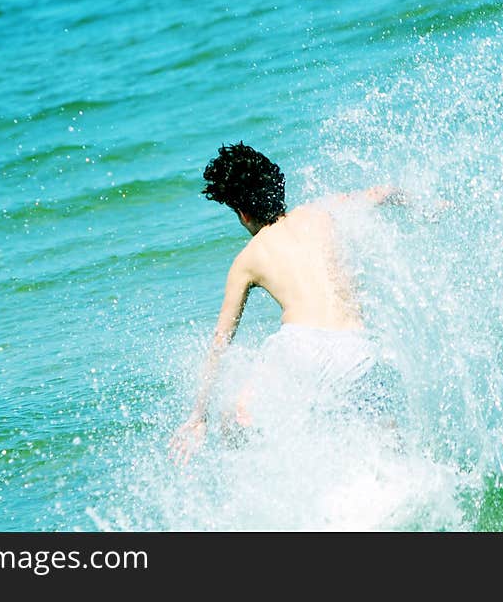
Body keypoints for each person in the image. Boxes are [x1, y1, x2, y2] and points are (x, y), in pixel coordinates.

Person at [168, 142, 406, 467]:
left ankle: (271, 489)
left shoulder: (247, 259)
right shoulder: (322, 212)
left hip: (300, 346)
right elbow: (383, 192)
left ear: (243, 213)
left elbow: (220, 343)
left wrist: (199, 416)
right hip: (357, 350)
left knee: (236, 417)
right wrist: (428, 207)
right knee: (389, 444)